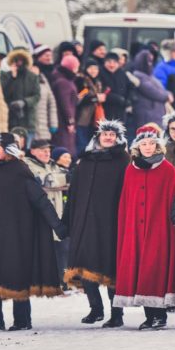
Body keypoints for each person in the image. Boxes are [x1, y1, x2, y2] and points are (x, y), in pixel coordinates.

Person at [0, 132, 67, 332]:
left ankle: (22, 320)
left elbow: (40, 200)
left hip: (15, 235)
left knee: (17, 275)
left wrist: (58, 225)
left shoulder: (20, 172)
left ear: (8, 150)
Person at [112, 123, 175, 330]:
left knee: (154, 269)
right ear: (137, 146)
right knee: (140, 269)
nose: (148, 147)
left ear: (158, 145)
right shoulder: (131, 169)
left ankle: (160, 315)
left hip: (159, 227)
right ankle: (150, 315)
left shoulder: (167, 169)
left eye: (152, 143)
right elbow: (126, 201)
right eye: (144, 143)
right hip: (136, 230)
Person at [64, 119, 129, 327]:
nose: (108, 137)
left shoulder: (123, 161)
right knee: (85, 266)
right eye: (105, 134)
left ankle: (116, 314)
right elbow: (73, 194)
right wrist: (69, 220)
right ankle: (96, 309)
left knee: (111, 269)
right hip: (84, 222)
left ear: (117, 138)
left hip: (111, 223)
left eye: (112, 135)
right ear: (98, 137)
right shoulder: (86, 161)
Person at [26, 138, 69, 278]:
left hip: (57, 211)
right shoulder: (26, 165)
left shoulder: (53, 165)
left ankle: (61, 280)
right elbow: (44, 181)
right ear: (32, 151)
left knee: (60, 248)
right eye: (42, 150)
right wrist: (58, 179)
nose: (47, 153)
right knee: (41, 248)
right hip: (38, 214)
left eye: (48, 150)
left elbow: (67, 178)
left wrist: (55, 179)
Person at [0, 48, 41, 137]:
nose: (19, 63)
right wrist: (12, 78)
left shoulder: (32, 77)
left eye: (21, 60)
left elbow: (37, 95)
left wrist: (25, 102)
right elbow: (4, 94)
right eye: (16, 60)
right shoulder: (6, 76)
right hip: (11, 119)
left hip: (28, 119)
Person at [50, 54, 80, 153]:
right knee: (65, 147)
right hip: (63, 122)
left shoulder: (61, 78)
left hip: (60, 120)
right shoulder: (64, 82)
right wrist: (70, 121)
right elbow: (65, 104)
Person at [75, 59, 106, 154]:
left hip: (94, 118)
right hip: (82, 118)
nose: (93, 71)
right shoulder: (81, 80)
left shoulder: (98, 82)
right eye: (91, 68)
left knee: (92, 144)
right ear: (86, 69)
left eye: (95, 69)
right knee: (82, 143)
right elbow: (78, 98)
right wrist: (95, 98)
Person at [99, 52, 130, 124]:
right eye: (109, 62)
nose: (111, 65)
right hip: (106, 110)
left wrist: (129, 99)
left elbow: (130, 87)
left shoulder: (122, 73)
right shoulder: (101, 73)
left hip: (120, 111)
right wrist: (117, 98)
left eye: (114, 62)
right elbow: (101, 90)